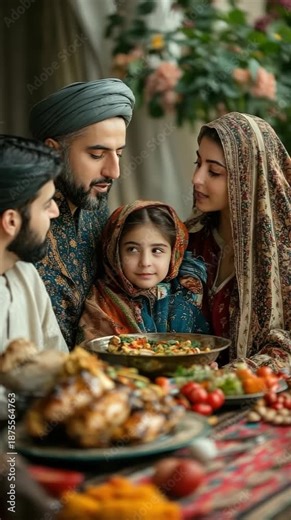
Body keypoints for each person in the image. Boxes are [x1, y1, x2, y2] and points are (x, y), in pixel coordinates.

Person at [29, 79, 135, 348]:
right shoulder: (20, 221)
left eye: (119, 154)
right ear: (53, 150)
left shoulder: (95, 200)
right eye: (97, 155)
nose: (114, 171)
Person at [186, 111, 291, 370]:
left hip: (264, 401)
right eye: (198, 163)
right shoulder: (187, 240)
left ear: (249, 178)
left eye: (214, 172)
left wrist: (231, 376)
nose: (196, 179)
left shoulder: (286, 253)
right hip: (184, 392)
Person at [78, 200, 210, 341]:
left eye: (157, 250)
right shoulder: (101, 303)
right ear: (114, 252)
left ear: (174, 254)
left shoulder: (187, 293)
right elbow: (90, 359)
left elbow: (204, 348)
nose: (145, 262)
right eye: (132, 249)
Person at [0, 135, 68, 353]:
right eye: (46, 204)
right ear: (11, 221)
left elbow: (59, 367)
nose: (55, 212)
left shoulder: (26, 275)